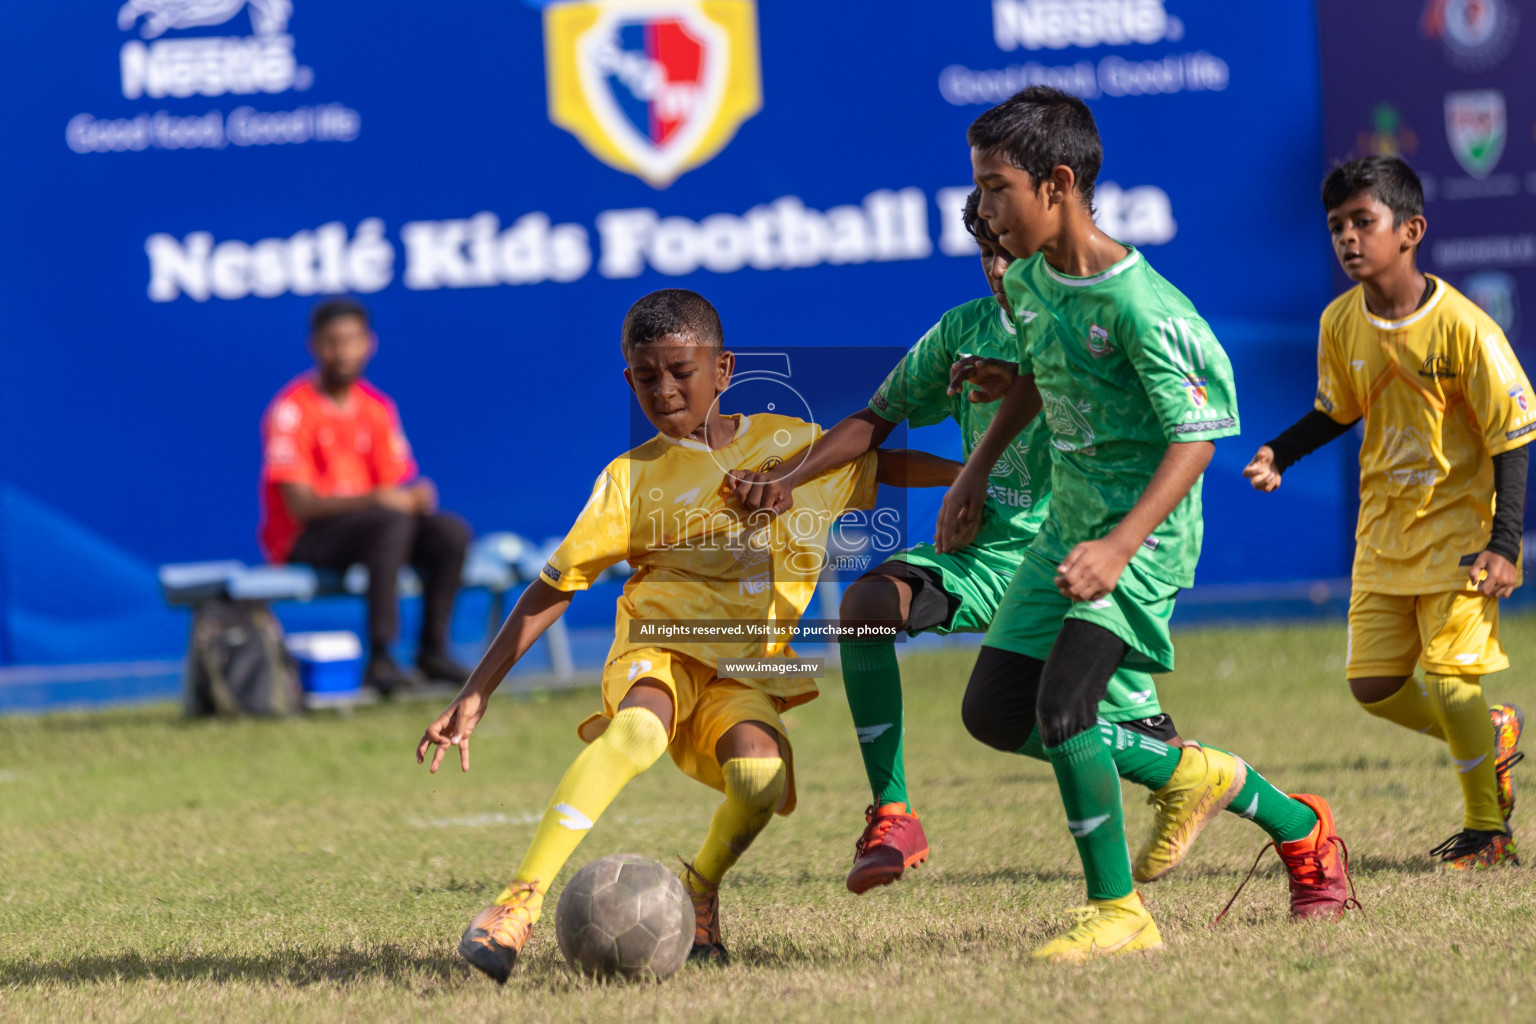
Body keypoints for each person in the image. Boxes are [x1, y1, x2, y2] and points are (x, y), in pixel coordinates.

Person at [735, 189, 1346, 907]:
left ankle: (1301, 829)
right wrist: (790, 479)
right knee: (871, 608)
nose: (998, 266)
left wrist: (1120, 542)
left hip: (1077, 562)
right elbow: (878, 416)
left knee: (1137, 754)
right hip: (987, 561)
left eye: (1007, 245)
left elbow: (1180, 430)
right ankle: (893, 815)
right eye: (986, 251)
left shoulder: (1099, 312)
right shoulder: (964, 332)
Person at [414, 288, 951, 984]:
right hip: (657, 647)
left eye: (681, 371)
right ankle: (517, 905)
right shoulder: (630, 482)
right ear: (629, 378)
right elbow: (552, 588)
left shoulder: (791, 446)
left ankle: (700, 886)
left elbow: (875, 467)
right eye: (646, 376)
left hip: (747, 670)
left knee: (760, 781)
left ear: (724, 370)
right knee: (636, 733)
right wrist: (475, 694)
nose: (664, 390)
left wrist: (967, 478)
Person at [942, 86, 1358, 961]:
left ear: (1057, 185)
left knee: (1065, 708)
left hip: (1143, 537)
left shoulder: (1144, 307)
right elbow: (1035, 376)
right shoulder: (1027, 278)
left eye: (993, 188)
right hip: (1072, 528)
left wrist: (1121, 544)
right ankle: (1255, 801)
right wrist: (974, 472)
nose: (980, 210)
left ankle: (1119, 915)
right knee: (993, 710)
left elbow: (1197, 439)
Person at [1244, 155, 1527, 870]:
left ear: (1411, 231)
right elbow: (1335, 411)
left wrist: (1505, 543)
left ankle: (1486, 831)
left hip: (1461, 536)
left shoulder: (1465, 328)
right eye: (1336, 225)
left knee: (1453, 681)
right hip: (1384, 535)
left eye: (1362, 222)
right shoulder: (1340, 321)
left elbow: (1512, 436)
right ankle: (1488, 732)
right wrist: (1280, 451)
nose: (1346, 237)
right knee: (1373, 688)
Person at [260, 297, 472, 695]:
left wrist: (413, 498)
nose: (342, 352)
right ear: (314, 346)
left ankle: (433, 650)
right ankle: (380, 656)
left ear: (368, 344)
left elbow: (395, 487)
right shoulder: (292, 409)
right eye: (332, 342)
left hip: (375, 530)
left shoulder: (376, 407)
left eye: (351, 340)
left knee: (449, 532)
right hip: (305, 537)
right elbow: (300, 505)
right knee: (388, 521)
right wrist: (381, 500)